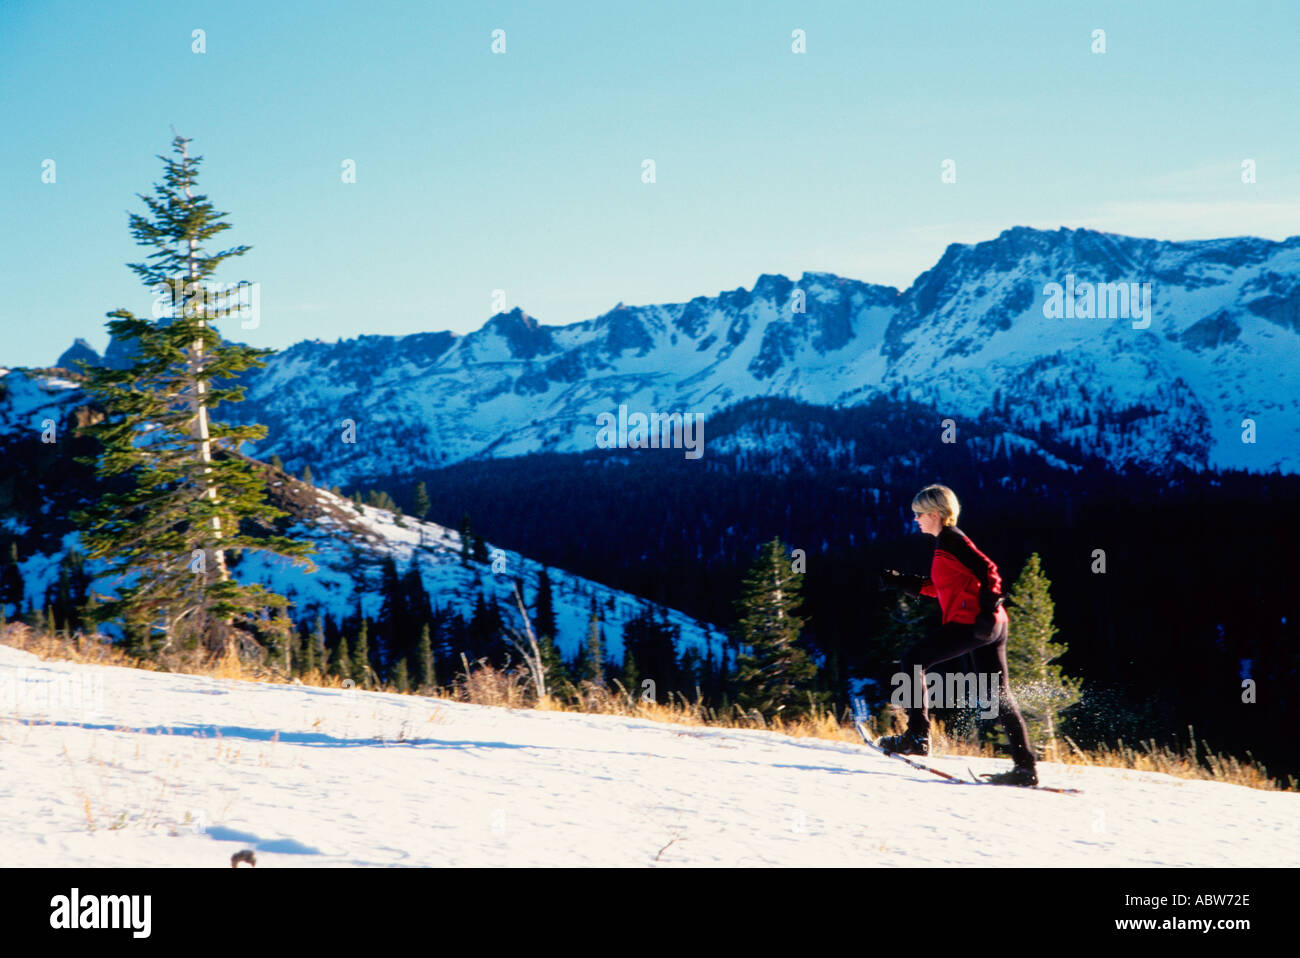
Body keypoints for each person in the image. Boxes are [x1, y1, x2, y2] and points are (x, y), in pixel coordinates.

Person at [877, 483, 1038, 786]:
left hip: (975, 623)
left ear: (936, 514)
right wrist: (901, 582)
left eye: (919, 513)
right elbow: (941, 588)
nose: (915, 519)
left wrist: (988, 607)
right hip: (991, 624)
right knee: (997, 695)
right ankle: (1025, 768)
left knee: (913, 660)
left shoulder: (952, 540)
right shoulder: (945, 544)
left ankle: (917, 737)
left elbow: (989, 569)